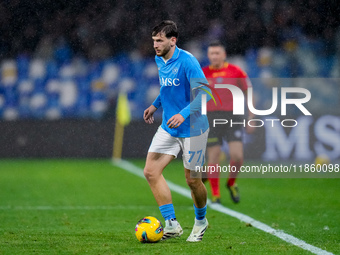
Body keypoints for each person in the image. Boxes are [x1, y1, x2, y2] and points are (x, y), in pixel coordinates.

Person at [143, 20, 211, 242]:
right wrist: (155, 105)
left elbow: (204, 95)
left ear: (173, 40)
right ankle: (171, 224)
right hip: (170, 128)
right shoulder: (159, 59)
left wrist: (183, 113)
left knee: (192, 180)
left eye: (159, 40)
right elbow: (167, 87)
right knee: (151, 171)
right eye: (154, 40)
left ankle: (201, 221)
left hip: (194, 128)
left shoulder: (188, 62)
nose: (155, 45)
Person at [202, 41, 254, 204]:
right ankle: (216, 194)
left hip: (234, 116)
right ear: (208, 55)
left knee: (237, 156)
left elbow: (249, 93)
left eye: (217, 53)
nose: (214, 56)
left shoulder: (236, 71)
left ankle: (231, 183)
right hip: (211, 117)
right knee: (214, 155)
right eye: (211, 53)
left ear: (224, 55)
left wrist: (251, 117)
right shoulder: (202, 73)